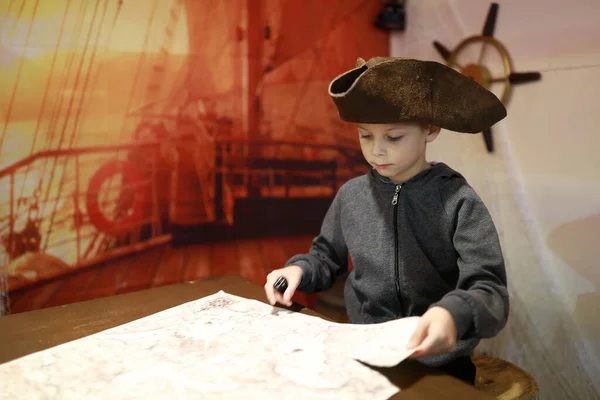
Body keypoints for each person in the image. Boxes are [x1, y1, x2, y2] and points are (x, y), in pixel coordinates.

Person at [263, 57, 510, 385]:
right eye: (365, 136)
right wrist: (298, 270)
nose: (377, 151)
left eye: (393, 137)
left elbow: (490, 289)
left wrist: (454, 312)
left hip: (438, 366)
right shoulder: (352, 196)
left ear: (430, 129)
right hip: (365, 356)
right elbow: (324, 258)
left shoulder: (458, 199)